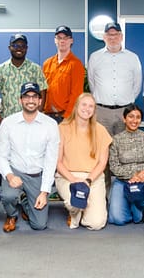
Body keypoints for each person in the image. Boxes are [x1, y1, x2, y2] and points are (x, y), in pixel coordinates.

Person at [0, 82, 60, 232]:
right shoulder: (8, 123)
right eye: (26, 96)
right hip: (16, 171)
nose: (30, 100)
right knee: (8, 196)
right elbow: (1, 156)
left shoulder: (50, 125)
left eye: (34, 97)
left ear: (39, 101)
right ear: (20, 100)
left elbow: (51, 161)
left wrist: (44, 192)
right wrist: (10, 176)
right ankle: (11, 214)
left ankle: (26, 203)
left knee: (39, 225)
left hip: (36, 175)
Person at [55, 93, 113, 230]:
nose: (87, 109)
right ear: (76, 106)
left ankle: (81, 211)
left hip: (93, 178)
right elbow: (58, 162)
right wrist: (74, 180)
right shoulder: (62, 128)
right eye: (84, 104)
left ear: (94, 110)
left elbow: (102, 163)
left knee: (96, 223)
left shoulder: (101, 130)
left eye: (91, 106)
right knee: (75, 200)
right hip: (68, 177)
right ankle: (75, 211)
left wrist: (87, 181)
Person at [108, 105, 144, 225]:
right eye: (131, 116)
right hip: (122, 181)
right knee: (117, 219)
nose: (134, 120)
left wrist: (142, 176)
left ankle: (139, 208)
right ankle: (131, 205)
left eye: (138, 117)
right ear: (124, 118)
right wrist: (134, 175)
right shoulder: (116, 140)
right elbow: (114, 166)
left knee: (138, 217)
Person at [87, 22, 142, 136]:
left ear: (121, 37)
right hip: (102, 113)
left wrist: (126, 100)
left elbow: (137, 85)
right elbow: (92, 84)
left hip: (125, 112)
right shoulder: (95, 57)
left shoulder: (132, 57)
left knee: (125, 149)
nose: (113, 38)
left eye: (116, 34)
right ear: (104, 37)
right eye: (109, 35)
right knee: (102, 148)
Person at [0, 34, 48, 123]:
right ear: (9, 48)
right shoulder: (0, 70)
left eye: (22, 46)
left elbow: (43, 92)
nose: (19, 48)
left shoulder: (35, 69)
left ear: (27, 48)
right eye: (16, 45)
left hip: (30, 120)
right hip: (8, 120)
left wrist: (38, 115)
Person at [42, 25, 85, 123]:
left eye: (66, 38)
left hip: (64, 117)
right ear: (55, 40)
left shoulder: (76, 64)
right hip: (47, 116)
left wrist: (67, 117)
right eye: (59, 38)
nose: (62, 41)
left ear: (71, 41)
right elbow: (43, 89)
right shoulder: (47, 63)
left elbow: (76, 94)